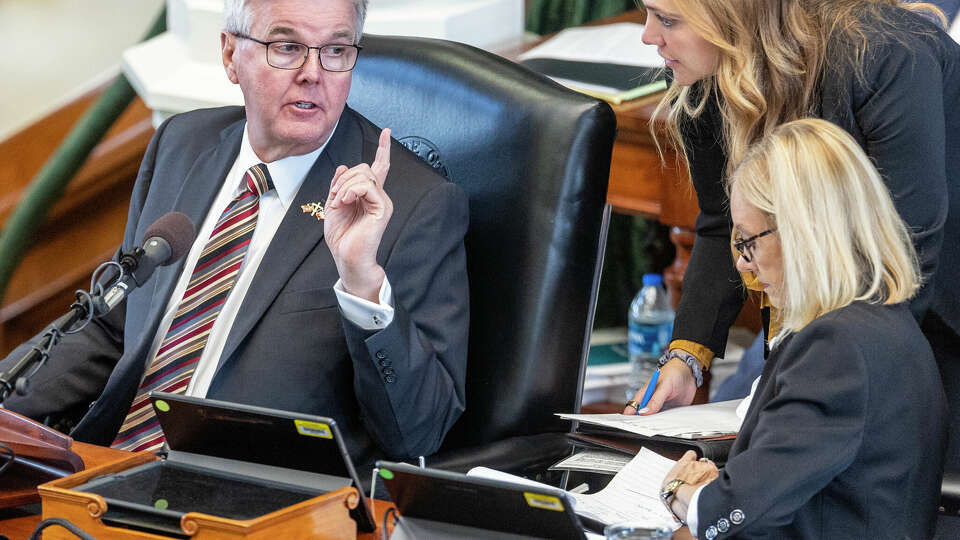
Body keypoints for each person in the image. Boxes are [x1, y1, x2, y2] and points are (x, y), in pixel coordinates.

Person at [0, 0, 469, 469]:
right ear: (229, 55)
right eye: (287, 47)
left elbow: (418, 433)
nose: (313, 73)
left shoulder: (413, 205)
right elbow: (109, 327)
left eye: (336, 50)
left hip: (259, 500)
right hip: (108, 469)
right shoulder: (181, 144)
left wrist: (362, 285)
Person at [625, 0, 959, 441]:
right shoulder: (704, 68)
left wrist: (809, 387)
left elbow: (907, 255)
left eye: (668, 19)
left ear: (735, 16)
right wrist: (687, 356)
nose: (648, 36)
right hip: (834, 323)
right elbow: (725, 221)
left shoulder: (885, 54)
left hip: (931, 318)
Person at [657, 118, 946, 539]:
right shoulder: (882, 323)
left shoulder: (836, 348)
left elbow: (740, 508)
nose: (742, 264)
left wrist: (681, 490)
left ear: (801, 233)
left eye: (748, 241)